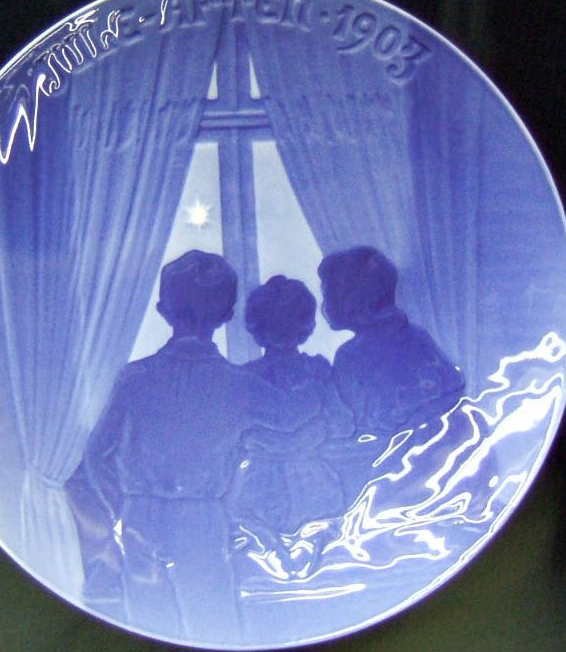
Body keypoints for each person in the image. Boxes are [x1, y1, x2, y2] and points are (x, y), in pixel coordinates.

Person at [65, 251, 302, 642]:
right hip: (203, 520)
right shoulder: (242, 386)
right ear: (228, 315)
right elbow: (295, 421)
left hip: (141, 517)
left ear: (163, 310)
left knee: (146, 619)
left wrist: (113, 512)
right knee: (214, 622)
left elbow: (97, 458)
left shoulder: (135, 379)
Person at [230, 276, 354, 573]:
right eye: (276, 323)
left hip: (299, 481)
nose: (283, 330)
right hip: (273, 483)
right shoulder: (246, 379)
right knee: (268, 559)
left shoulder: (314, 371)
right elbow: (342, 425)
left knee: (316, 559)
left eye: (288, 322)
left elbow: (344, 424)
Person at [318, 246, 465, 439]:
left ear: (349, 302)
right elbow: (453, 383)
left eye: (328, 294)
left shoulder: (350, 357)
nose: (326, 304)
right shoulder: (416, 335)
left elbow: (355, 422)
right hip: (449, 433)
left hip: (406, 444)